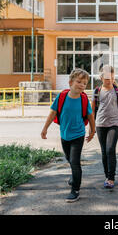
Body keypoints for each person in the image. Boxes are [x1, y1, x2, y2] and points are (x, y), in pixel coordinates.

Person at [41, 68, 95, 203]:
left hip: (78, 134)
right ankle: (74, 177)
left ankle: (75, 189)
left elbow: (90, 115)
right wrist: (45, 128)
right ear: (70, 82)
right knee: (69, 158)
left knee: (75, 162)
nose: (82, 85)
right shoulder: (62, 97)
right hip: (64, 134)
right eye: (79, 82)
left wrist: (93, 130)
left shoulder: (83, 99)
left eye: (84, 83)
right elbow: (52, 113)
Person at [92, 65, 118, 190]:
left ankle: (111, 178)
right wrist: (91, 127)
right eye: (106, 77)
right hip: (100, 124)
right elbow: (92, 110)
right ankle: (107, 176)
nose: (109, 80)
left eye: (111, 77)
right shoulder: (97, 91)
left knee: (110, 149)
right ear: (101, 77)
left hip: (114, 123)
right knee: (104, 151)